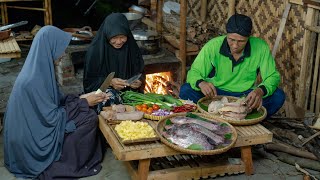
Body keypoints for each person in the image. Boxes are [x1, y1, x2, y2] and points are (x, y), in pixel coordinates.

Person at [3, 26, 110, 179]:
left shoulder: (39, 70)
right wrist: (84, 102)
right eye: (61, 49)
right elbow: (51, 118)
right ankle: (67, 164)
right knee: (89, 118)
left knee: (88, 112)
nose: (63, 54)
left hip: (39, 126)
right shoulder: (31, 81)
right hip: (32, 140)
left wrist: (83, 97)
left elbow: (56, 102)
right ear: (49, 48)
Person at [179, 14, 285, 118]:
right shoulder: (213, 46)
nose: (235, 45)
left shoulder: (261, 47)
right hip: (215, 93)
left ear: (249, 37)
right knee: (186, 90)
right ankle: (241, 114)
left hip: (244, 96)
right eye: (231, 39)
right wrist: (201, 83)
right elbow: (194, 72)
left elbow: (272, 76)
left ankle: (238, 114)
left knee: (278, 96)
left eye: (241, 41)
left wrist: (260, 90)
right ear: (227, 34)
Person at [83, 13, 145, 108]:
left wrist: (138, 81)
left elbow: (140, 71)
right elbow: (89, 82)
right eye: (114, 38)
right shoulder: (95, 51)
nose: (119, 42)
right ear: (107, 34)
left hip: (129, 95)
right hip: (105, 96)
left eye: (122, 37)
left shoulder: (131, 47)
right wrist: (110, 82)